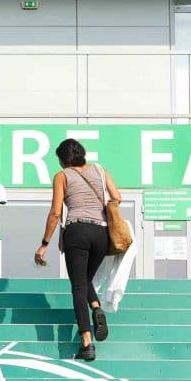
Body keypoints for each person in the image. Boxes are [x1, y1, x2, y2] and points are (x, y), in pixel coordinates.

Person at [33, 138, 122, 361]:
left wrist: (44, 244)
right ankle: (96, 307)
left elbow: (55, 213)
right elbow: (117, 197)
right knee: (84, 279)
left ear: (63, 159)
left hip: (77, 232)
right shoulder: (100, 170)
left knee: (77, 287)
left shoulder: (62, 176)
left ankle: (86, 342)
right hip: (101, 233)